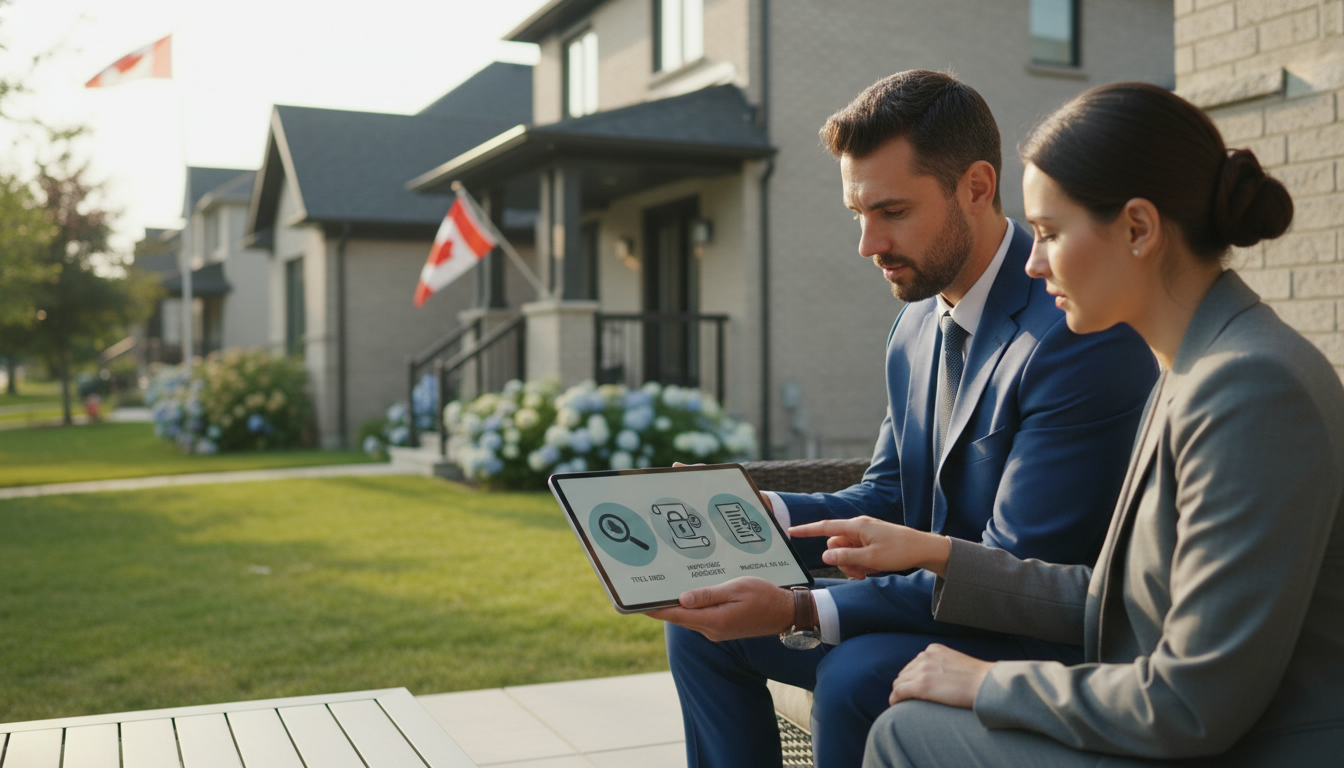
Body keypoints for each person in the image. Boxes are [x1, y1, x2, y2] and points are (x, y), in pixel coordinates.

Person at [793, 81, 1344, 767]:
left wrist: (991, 681)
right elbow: (1110, 598)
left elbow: (1192, 705)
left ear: (1139, 230)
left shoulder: (1250, 388)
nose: (1031, 260)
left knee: (906, 730)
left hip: (1236, 746)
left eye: (1050, 233)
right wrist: (933, 552)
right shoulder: (1196, 365)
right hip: (1167, 714)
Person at [649, 70, 1159, 768]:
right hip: (926, 603)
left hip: (1029, 630)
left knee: (857, 674)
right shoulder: (915, 323)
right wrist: (754, 511)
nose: (867, 243)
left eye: (891, 212)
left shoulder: (1072, 331)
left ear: (977, 187)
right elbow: (887, 496)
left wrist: (805, 607)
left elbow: (1015, 572)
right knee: (703, 625)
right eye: (857, 214)